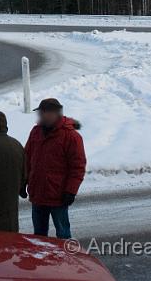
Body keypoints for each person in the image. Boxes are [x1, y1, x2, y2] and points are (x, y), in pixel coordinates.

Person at [24, 98, 86, 239]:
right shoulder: (36, 132)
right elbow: (26, 158)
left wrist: (71, 191)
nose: (39, 116)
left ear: (53, 114)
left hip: (58, 196)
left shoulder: (71, 136)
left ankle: (66, 259)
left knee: (63, 235)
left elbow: (78, 167)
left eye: (42, 113)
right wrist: (23, 181)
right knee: (39, 237)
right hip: (37, 194)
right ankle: (41, 260)